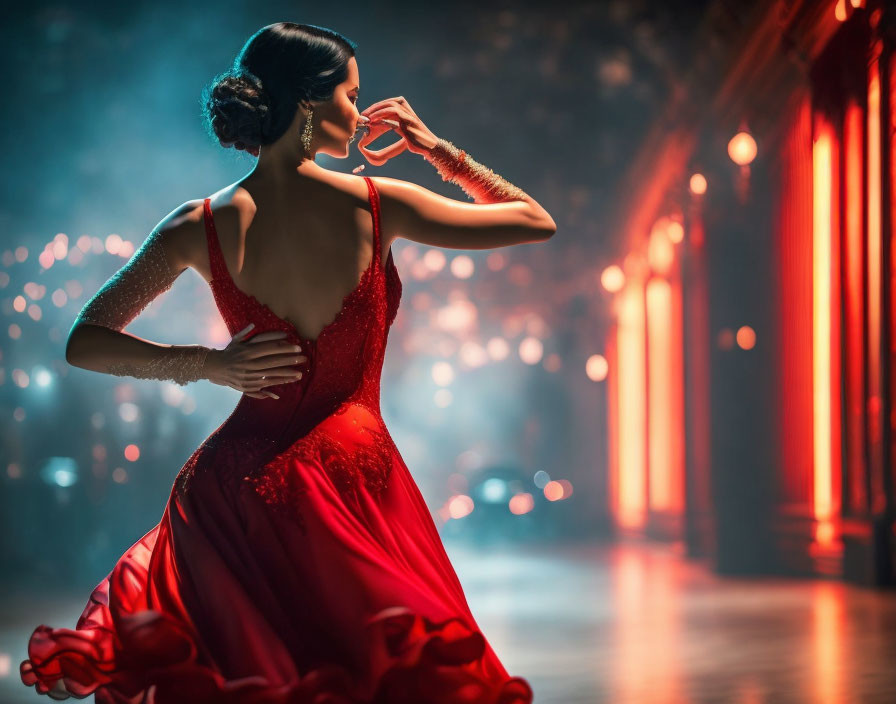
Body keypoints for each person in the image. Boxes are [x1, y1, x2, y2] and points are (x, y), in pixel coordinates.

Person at [20, 21, 556, 703]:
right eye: (351, 96)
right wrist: (435, 149)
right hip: (352, 481)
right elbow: (533, 219)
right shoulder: (375, 204)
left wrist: (208, 365)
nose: (361, 114)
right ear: (308, 103)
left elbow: (85, 338)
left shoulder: (201, 223)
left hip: (229, 490)